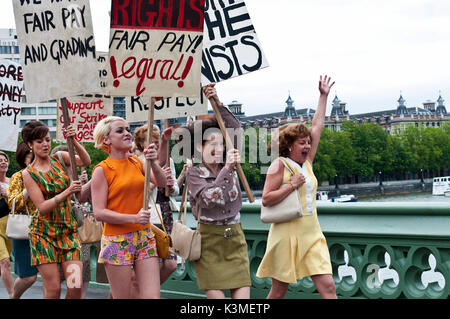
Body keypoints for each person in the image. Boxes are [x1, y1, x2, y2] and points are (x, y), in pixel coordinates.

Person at [256, 75, 337, 299]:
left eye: (308, 142)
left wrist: (323, 96)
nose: (308, 145)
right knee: (279, 291)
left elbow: (318, 125)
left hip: (312, 233)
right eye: (302, 142)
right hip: (287, 235)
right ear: (289, 145)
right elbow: (266, 199)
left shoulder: (307, 162)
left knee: (328, 286)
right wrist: (291, 186)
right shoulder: (279, 165)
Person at [183, 83, 251, 299]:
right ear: (199, 147)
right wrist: (227, 171)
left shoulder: (229, 165)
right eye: (212, 142)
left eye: (222, 144)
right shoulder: (194, 173)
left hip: (234, 237)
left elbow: (235, 129)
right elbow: (207, 198)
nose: (218, 148)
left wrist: (217, 102)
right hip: (209, 241)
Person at [91, 116, 167, 299]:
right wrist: (133, 218)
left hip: (144, 236)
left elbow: (162, 183)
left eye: (127, 129)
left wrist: (154, 162)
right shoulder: (102, 170)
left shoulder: (137, 162)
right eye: (120, 130)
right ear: (106, 140)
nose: (127, 133)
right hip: (117, 240)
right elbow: (99, 212)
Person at [21, 121, 91, 299]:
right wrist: (68, 191)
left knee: (75, 286)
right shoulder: (28, 173)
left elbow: (85, 161)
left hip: (68, 231)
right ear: (30, 144)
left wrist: (73, 140)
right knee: (53, 291)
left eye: (47, 139)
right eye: (39, 141)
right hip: (43, 235)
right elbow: (42, 207)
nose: (45, 144)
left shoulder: (60, 157)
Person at [134, 124, 179, 285]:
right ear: (141, 144)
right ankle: (143, 292)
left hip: (166, 214)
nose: (155, 144)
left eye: (157, 141)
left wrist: (171, 185)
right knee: (156, 264)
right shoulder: (137, 162)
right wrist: (156, 181)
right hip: (149, 216)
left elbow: (175, 191)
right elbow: (139, 195)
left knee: (171, 264)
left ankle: (142, 292)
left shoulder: (168, 160)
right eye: (151, 141)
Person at [7, 142, 39, 299]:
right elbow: (13, 204)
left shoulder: (49, 174)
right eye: (30, 157)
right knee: (28, 277)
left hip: (47, 229)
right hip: (24, 231)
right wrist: (29, 184)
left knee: (51, 278)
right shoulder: (17, 176)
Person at [0, 150, 14, 297]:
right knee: (5, 262)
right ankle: (13, 295)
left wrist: (7, 195)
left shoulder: (12, 182)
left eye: (5, 160)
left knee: (1, 266)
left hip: (11, 226)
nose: (3, 162)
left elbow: (19, 203)